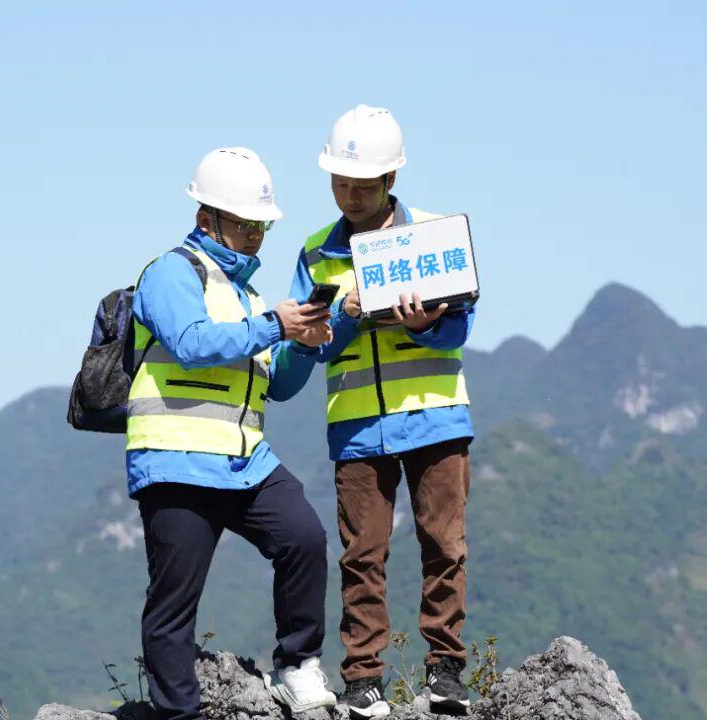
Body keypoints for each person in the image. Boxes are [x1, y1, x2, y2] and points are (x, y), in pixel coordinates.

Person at [279, 106, 476, 718]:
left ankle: (445, 674)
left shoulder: (437, 235)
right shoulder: (316, 252)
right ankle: (363, 681)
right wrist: (345, 314)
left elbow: (461, 328)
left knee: (443, 543)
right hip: (357, 424)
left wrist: (426, 327)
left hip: (435, 415)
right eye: (341, 183)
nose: (351, 196)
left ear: (391, 179)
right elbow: (304, 347)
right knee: (362, 554)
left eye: (363, 185)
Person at [127, 147, 337, 720]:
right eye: (245, 224)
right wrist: (274, 324)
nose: (255, 236)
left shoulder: (244, 295)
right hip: (177, 463)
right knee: (173, 605)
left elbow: (278, 386)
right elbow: (192, 344)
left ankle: (297, 666)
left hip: (244, 461)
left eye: (261, 225)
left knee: (304, 539)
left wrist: (305, 346)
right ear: (206, 219)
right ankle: (178, 713)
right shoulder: (171, 271)